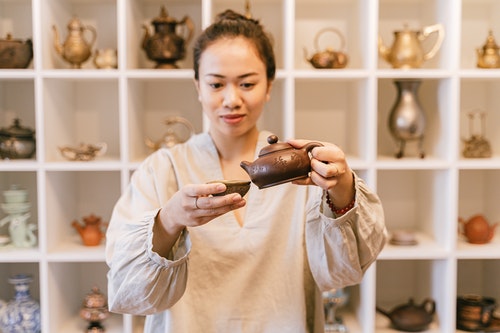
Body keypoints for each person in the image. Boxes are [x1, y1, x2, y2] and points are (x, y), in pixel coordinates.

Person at [106, 9, 387, 333]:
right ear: (198, 87)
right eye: (216, 84)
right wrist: (170, 219)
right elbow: (129, 293)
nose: (231, 99)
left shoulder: (300, 168)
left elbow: (343, 273)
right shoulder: (161, 170)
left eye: (247, 83)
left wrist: (341, 187)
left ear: (269, 85)